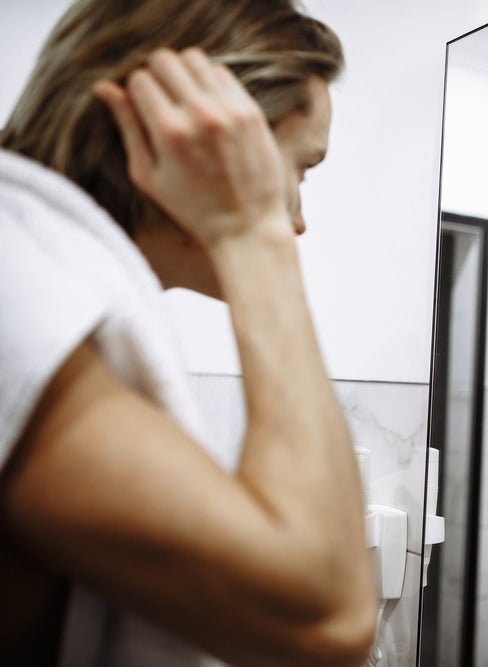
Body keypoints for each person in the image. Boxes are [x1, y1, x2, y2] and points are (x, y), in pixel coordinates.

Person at [0, 0, 376, 664]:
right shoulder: (16, 283)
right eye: (298, 170)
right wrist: (250, 231)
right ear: (192, 135)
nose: (296, 221)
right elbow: (329, 614)